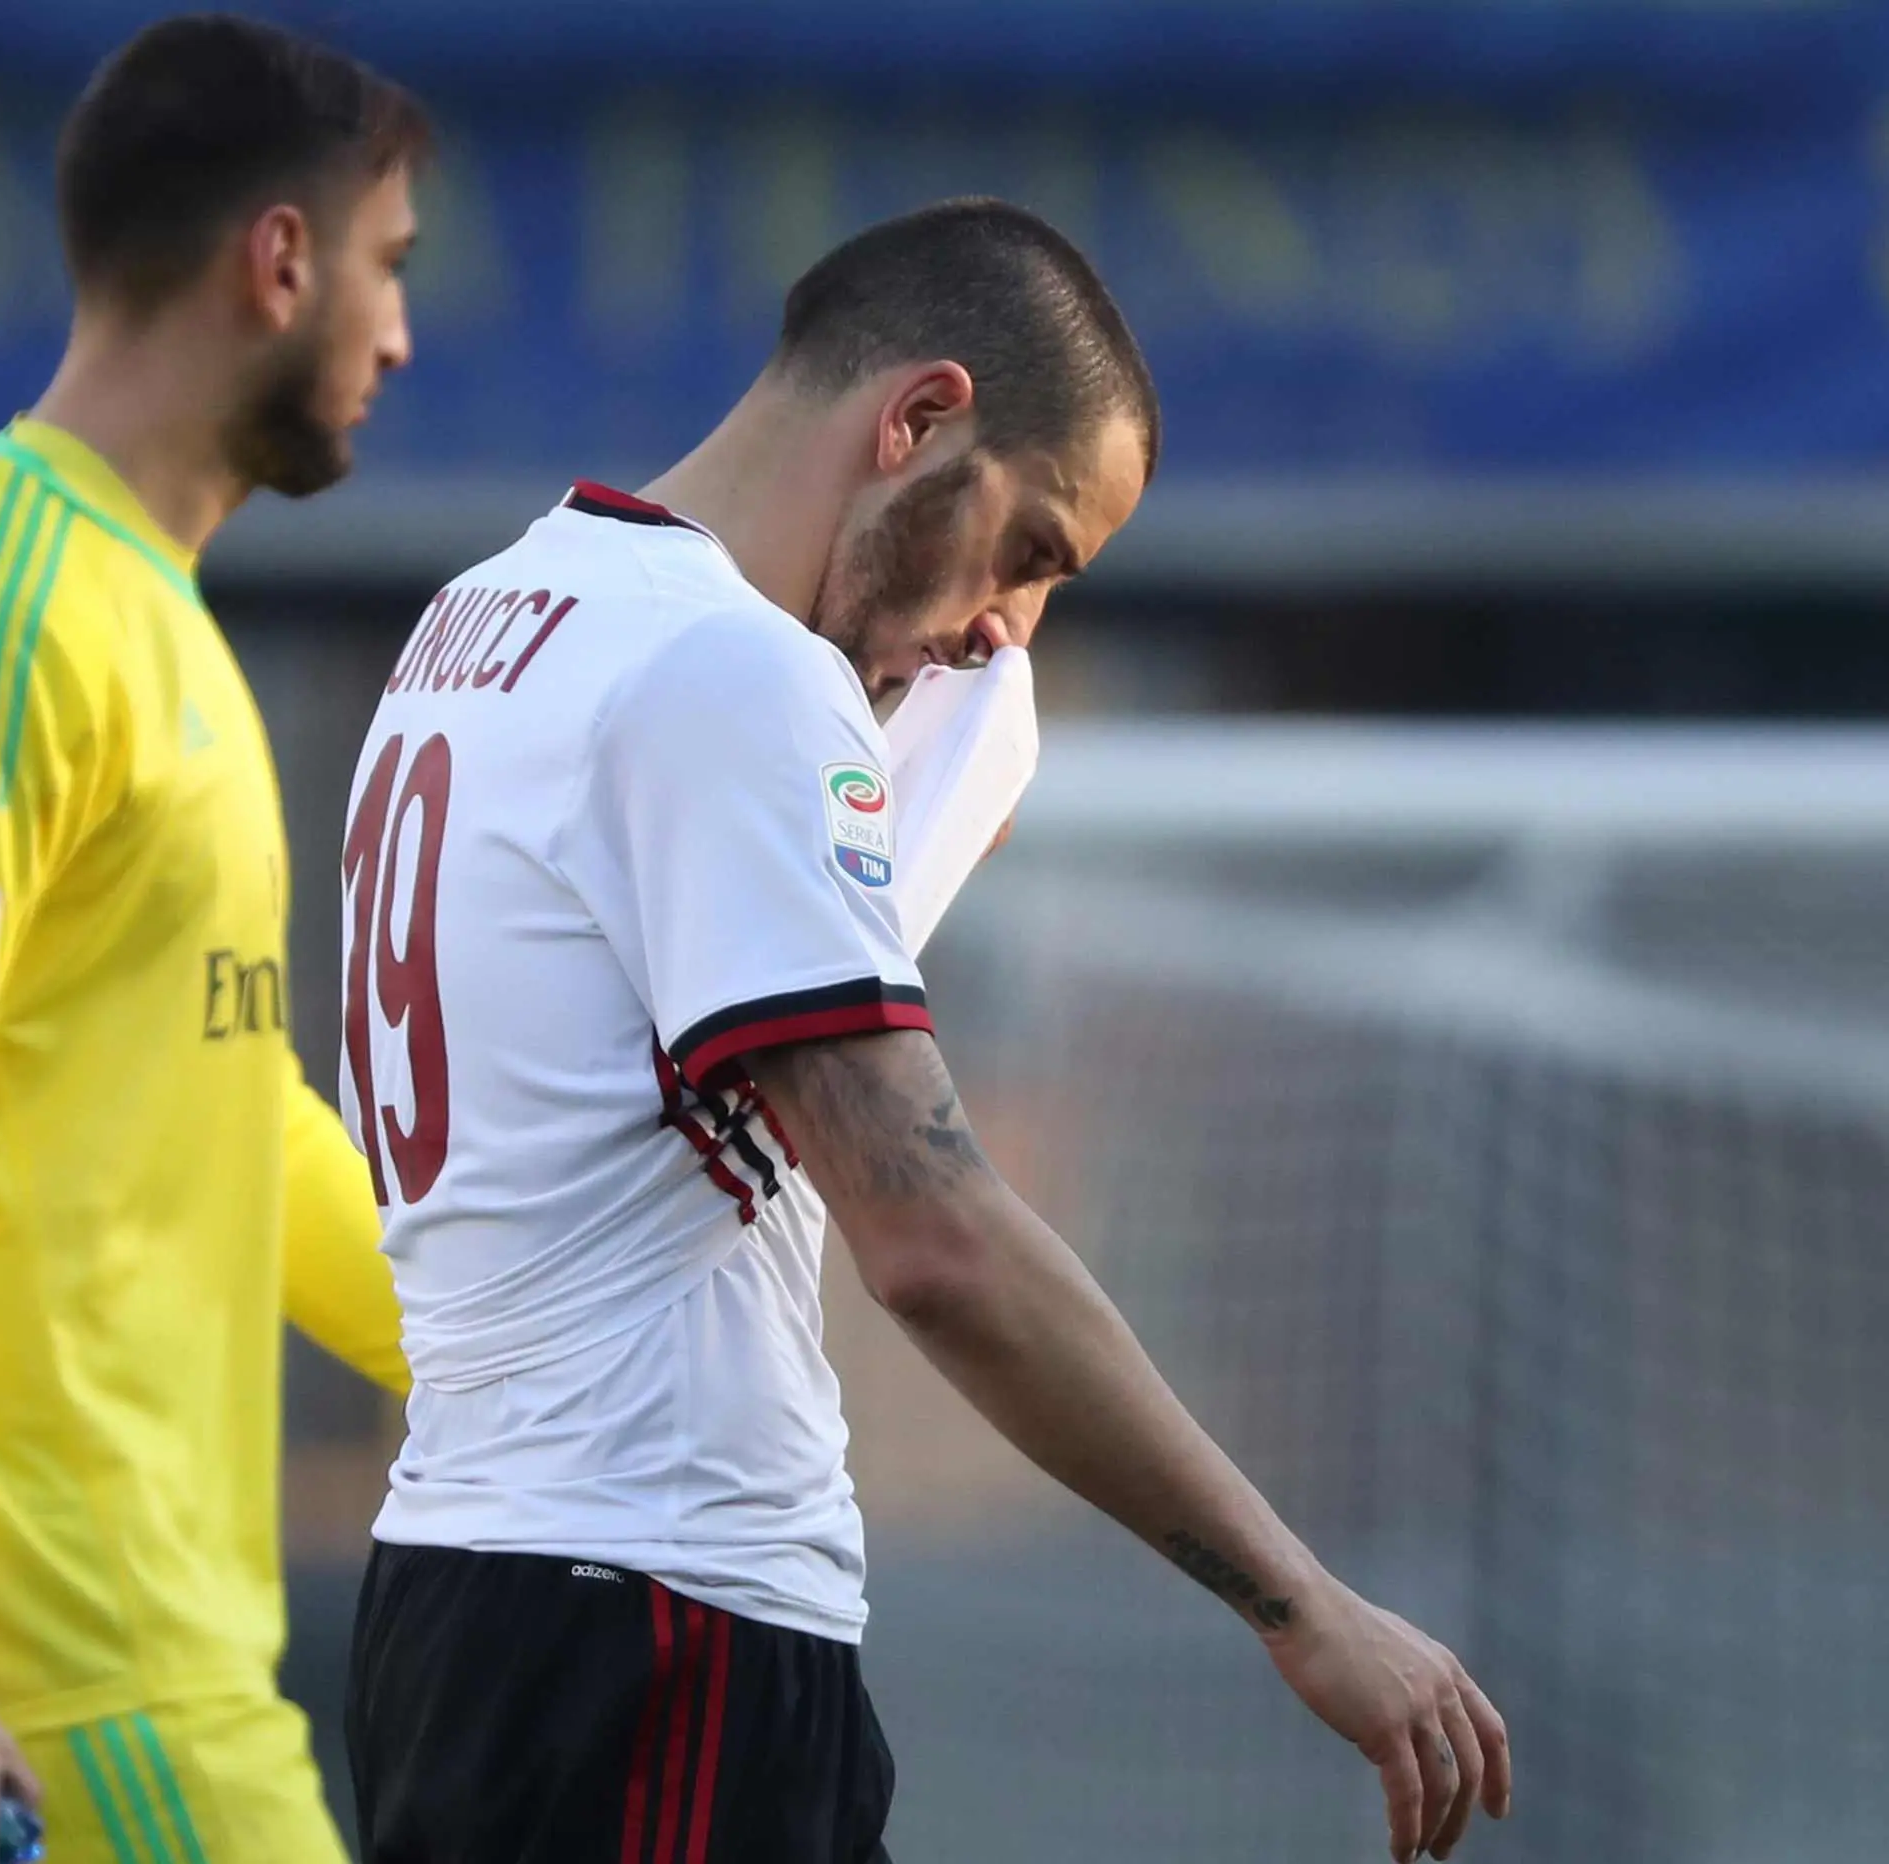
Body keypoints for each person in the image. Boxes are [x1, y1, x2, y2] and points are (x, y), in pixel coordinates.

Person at [337, 200, 1513, 1864]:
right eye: (1032, 549)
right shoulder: (730, 679)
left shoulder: (487, 621)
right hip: (658, 1627)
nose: (1007, 630)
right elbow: (937, 1242)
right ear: (915, 419)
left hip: (472, 1595)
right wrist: (1300, 1603)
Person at [0, 18, 427, 1864]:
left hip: (93, 1668)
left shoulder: (144, 610)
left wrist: (513, 1355)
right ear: (280, 261)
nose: (399, 336)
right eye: (389, 268)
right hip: (42, 1693)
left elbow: (228, 1110)